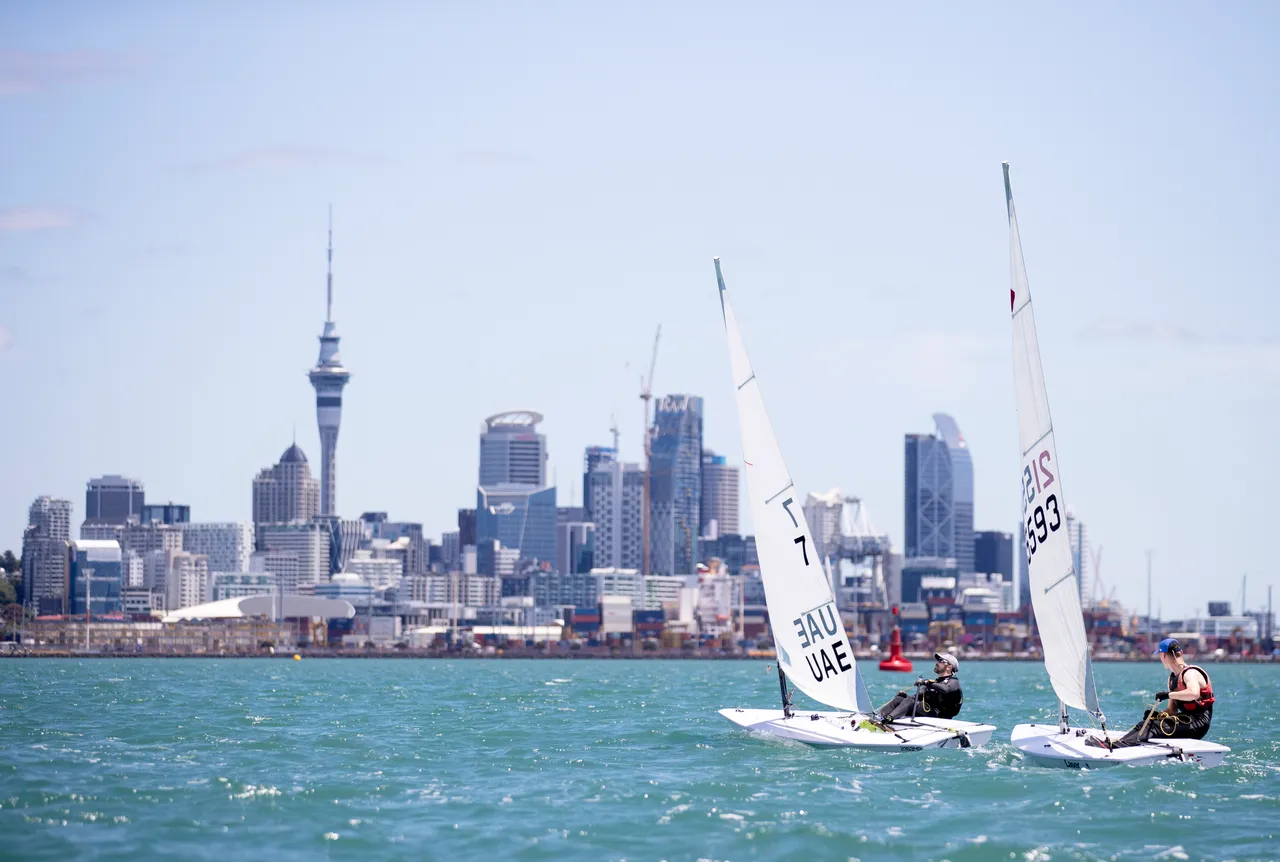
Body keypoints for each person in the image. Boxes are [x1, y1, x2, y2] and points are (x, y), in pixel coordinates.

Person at [1090, 637, 1214, 749]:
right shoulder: (1172, 679)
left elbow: (1194, 693)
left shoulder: (1190, 673)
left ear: (1163, 656)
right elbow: (1172, 711)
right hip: (1187, 721)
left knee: (1153, 727)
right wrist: (1157, 715)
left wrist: (1167, 695)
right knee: (1146, 724)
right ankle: (1115, 744)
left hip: (1199, 724)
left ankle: (1116, 747)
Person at [866, 653, 963, 726]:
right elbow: (915, 699)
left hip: (940, 717)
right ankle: (877, 719)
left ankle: (888, 720)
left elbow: (946, 689)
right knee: (899, 700)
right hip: (928, 712)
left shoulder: (954, 682)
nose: (937, 663)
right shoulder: (935, 682)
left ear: (949, 667)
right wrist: (905, 697)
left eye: (941, 661)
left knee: (910, 701)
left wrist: (926, 683)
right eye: (937, 661)